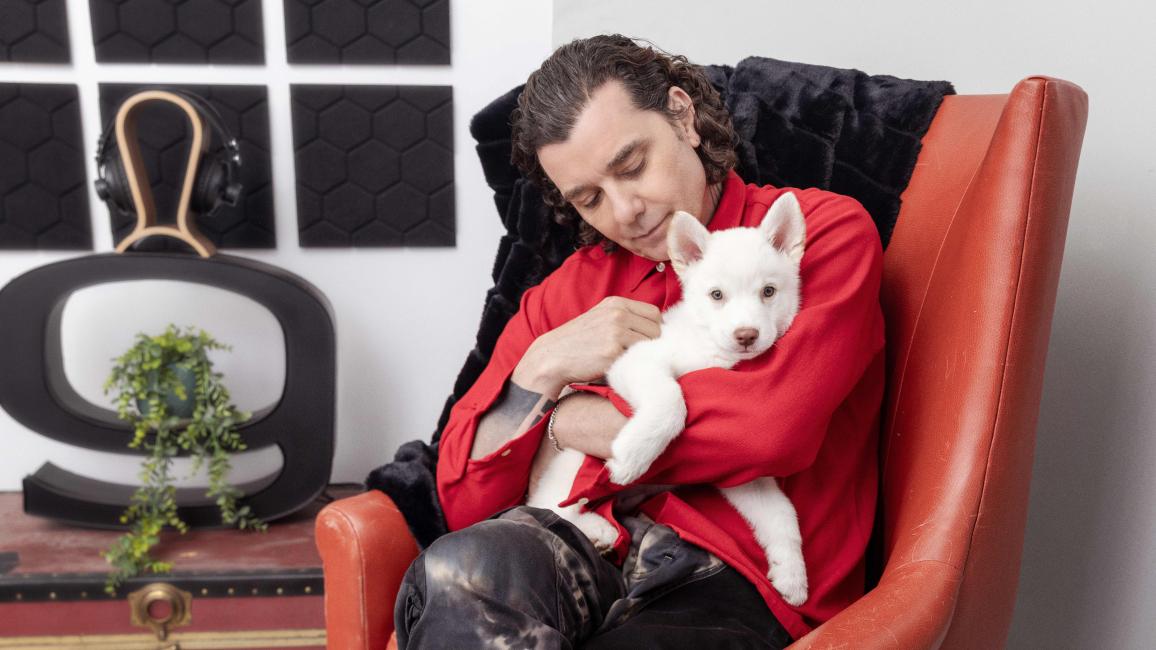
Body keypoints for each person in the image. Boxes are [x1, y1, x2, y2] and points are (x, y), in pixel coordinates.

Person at [394, 34, 885, 649]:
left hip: (739, 577)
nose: (624, 211)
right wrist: (540, 371)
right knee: (456, 569)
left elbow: (768, 432)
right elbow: (464, 496)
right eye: (590, 198)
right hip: (583, 549)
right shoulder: (564, 295)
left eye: (632, 166)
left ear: (683, 116)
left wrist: (569, 422)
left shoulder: (818, 236)